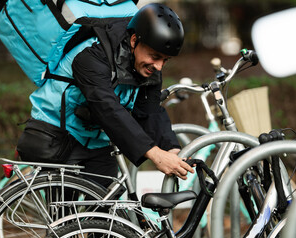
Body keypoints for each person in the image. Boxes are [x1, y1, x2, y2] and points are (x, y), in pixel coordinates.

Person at [17, 2, 193, 188]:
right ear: (134, 41)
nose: (159, 66)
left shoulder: (147, 66)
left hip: (96, 140)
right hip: (59, 136)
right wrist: (154, 154)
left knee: (107, 209)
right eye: (155, 56)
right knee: (65, 213)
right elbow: (106, 107)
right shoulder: (91, 55)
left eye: (165, 60)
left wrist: (171, 149)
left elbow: (149, 112)